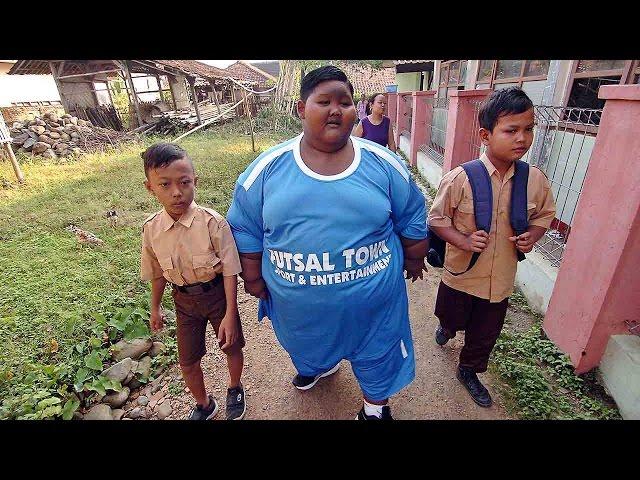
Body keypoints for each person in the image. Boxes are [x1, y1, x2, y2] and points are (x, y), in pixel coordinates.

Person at [227, 65, 429, 420]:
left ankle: (374, 408)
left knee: (377, 355)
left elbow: (412, 212)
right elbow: (245, 227)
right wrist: (254, 277)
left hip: (374, 310)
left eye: (345, 101)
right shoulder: (267, 169)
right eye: (324, 101)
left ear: (356, 111)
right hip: (300, 312)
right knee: (307, 346)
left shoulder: (384, 164)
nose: (336, 109)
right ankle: (317, 364)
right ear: (301, 109)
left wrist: (414, 258)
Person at [428, 87, 556, 407]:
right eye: (511, 130)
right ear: (486, 134)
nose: (522, 138)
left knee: (485, 333)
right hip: (461, 275)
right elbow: (437, 220)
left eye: (528, 129)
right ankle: (447, 327)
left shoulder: (535, 180)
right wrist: (463, 240)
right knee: (450, 314)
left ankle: (469, 370)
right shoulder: (460, 178)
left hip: (499, 281)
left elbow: (544, 215)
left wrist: (534, 235)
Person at [140, 142, 247, 420]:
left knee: (231, 345)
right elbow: (157, 273)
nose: (177, 192)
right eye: (165, 185)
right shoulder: (152, 230)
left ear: (195, 181)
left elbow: (230, 270)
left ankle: (235, 387)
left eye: (184, 182)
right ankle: (204, 404)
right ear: (150, 187)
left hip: (216, 296)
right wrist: (155, 307)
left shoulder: (213, 223)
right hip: (183, 301)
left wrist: (231, 315)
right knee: (187, 361)